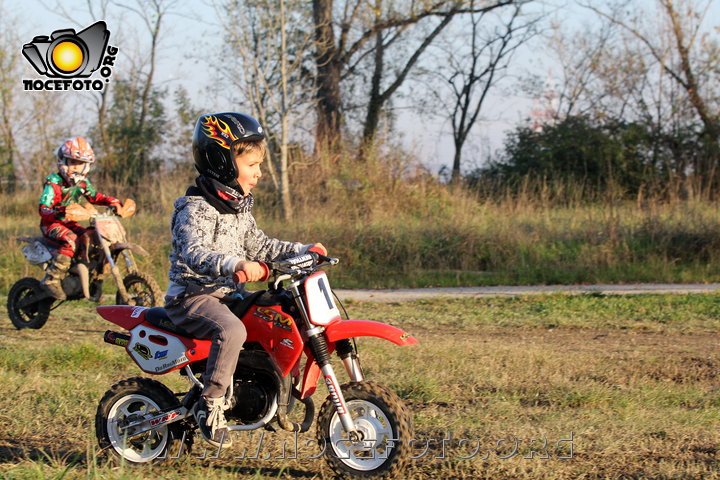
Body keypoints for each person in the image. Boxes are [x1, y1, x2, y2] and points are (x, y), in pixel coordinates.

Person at [164, 112, 325, 447]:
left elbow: (262, 245)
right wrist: (235, 263)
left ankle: (267, 392)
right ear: (223, 161)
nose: (259, 173)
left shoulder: (238, 209)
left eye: (260, 165)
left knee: (279, 314)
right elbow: (194, 253)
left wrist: (304, 250)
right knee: (232, 329)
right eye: (252, 164)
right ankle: (210, 404)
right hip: (192, 298)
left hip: (227, 296)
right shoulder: (193, 208)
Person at [39, 136, 122, 300]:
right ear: (63, 161)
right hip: (51, 224)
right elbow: (43, 209)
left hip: (69, 222)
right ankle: (51, 279)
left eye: (81, 163)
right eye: (73, 162)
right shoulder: (54, 183)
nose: (77, 167)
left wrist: (113, 201)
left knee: (91, 237)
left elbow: (94, 197)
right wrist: (59, 211)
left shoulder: (82, 183)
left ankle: (89, 275)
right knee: (71, 240)